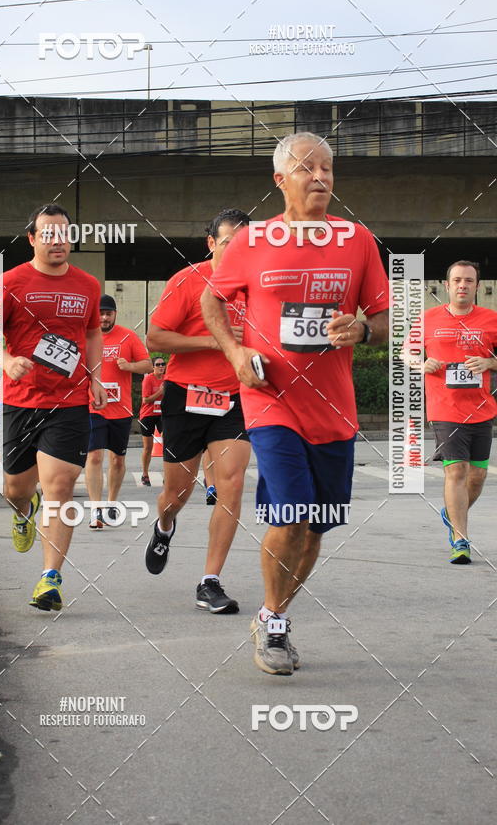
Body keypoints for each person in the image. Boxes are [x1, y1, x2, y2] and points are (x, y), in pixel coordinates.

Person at [202, 132, 389, 674]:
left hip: (334, 409)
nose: (322, 178)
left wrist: (360, 328)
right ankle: (276, 629)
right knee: (291, 511)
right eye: (308, 168)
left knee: (317, 525)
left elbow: (381, 321)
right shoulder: (253, 240)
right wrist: (236, 352)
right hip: (271, 401)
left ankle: (271, 614)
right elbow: (211, 298)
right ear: (280, 179)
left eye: (328, 168)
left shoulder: (357, 240)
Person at [0, 204, 107, 611]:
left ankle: (50, 579)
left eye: (63, 233)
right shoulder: (9, 283)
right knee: (15, 490)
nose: (57, 240)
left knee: (60, 487)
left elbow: (93, 331)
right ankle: (23, 511)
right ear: (32, 239)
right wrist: (7, 361)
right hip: (21, 400)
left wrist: (96, 377)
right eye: (48, 233)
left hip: (70, 401)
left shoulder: (87, 285)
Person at [144, 208, 252, 614]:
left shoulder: (259, 285)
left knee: (232, 483)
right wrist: (215, 340)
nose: (237, 249)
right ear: (211, 243)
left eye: (244, 242)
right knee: (176, 494)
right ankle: (165, 525)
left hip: (235, 399)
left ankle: (209, 581)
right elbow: (156, 336)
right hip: (185, 396)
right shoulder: (187, 281)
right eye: (228, 242)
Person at [415, 261, 497, 563]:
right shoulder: (427, 319)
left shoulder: (491, 319)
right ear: (447, 286)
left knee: (476, 477)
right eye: (457, 280)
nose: (462, 285)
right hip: (445, 409)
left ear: (477, 286)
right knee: (457, 471)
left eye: (469, 281)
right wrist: (420, 364)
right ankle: (461, 540)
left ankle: (451, 512)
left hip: (481, 408)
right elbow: (406, 353)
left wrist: (490, 363)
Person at [86, 294, 152, 528]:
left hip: (121, 409)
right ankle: (95, 510)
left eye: (108, 313)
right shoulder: (86, 336)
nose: (104, 317)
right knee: (94, 456)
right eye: (101, 313)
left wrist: (130, 366)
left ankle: (111, 504)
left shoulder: (128, 336)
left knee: (117, 460)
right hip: (93, 406)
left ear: (115, 314)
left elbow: (149, 365)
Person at [139, 357, 166, 485]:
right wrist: (160, 391)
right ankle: (145, 474)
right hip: (148, 414)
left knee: (168, 444)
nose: (161, 366)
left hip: (162, 414)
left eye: (163, 364)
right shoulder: (148, 379)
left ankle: (168, 475)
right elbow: (146, 400)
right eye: (158, 364)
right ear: (153, 367)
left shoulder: (167, 379)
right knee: (148, 447)